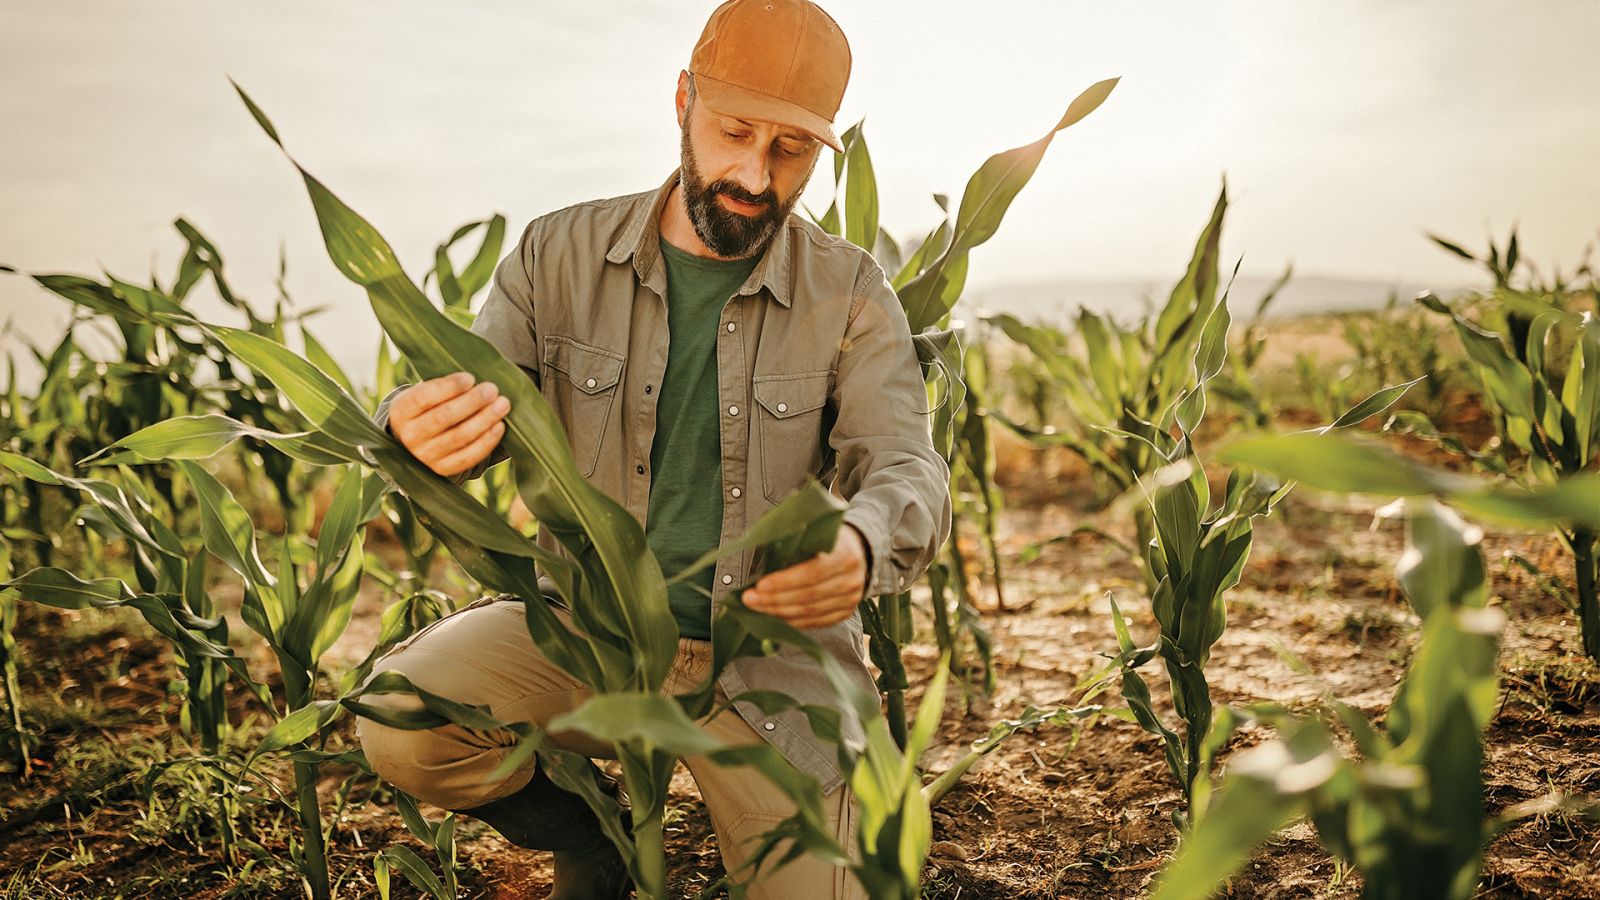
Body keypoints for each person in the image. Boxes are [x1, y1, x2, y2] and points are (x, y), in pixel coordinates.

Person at [351, 1, 952, 897]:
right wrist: (411, 425)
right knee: (401, 717)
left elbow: (904, 463)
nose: (753, 173)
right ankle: (586, 828)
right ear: (683, 100)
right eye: (735, 131)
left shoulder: (852, 292)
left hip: (770, 658)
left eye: (789, 151)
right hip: (584, 628)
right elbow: (471, 399)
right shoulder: (556, 256)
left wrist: (865, 541)